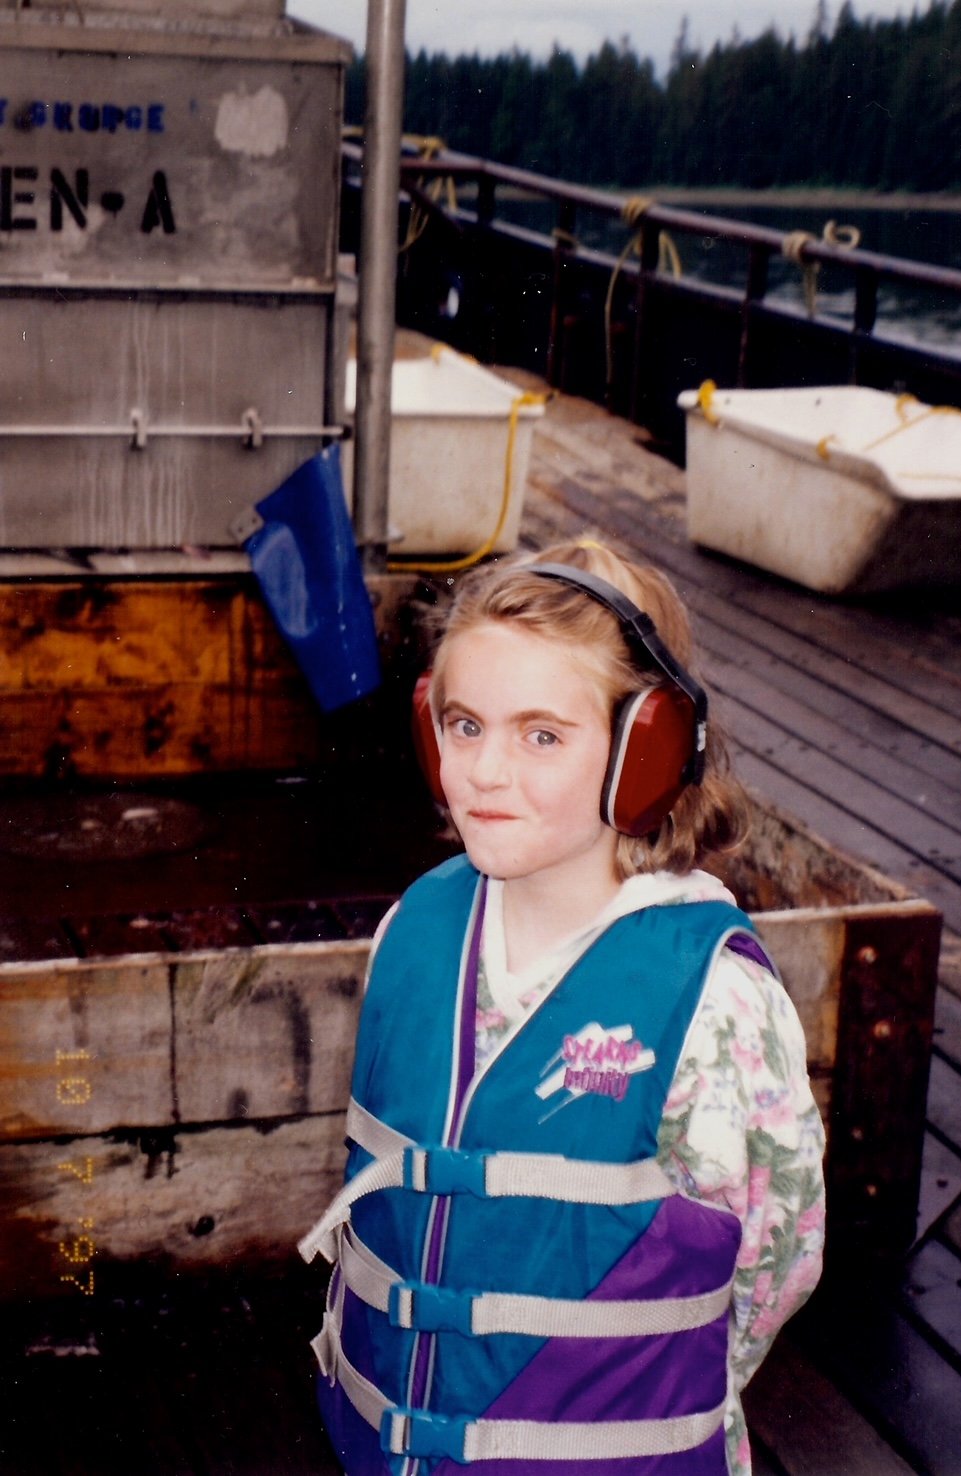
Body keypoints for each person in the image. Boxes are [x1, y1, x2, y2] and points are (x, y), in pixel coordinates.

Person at [300, 538, 826, 1476]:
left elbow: (776, 1257)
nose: (486, 772)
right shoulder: (410, 933)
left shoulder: (713, 1003)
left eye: (541, 735)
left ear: (647, 749)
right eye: (465, 726)